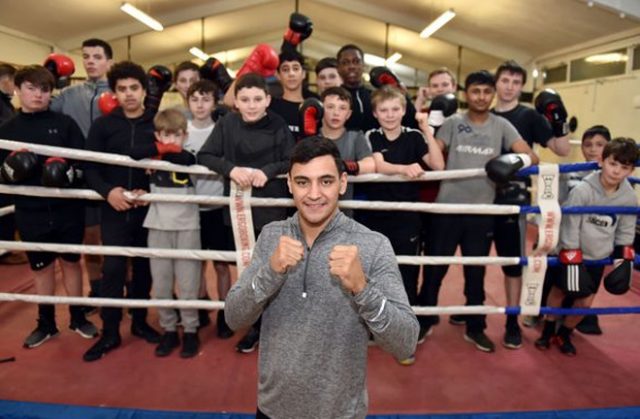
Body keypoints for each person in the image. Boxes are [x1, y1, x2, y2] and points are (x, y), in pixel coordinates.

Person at [225, 136, 419, 419]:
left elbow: (405, 343)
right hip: (273, 409)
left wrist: (363, 289)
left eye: (325, 181)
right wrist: (270, 273)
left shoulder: (372, 244)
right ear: (289, 184)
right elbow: (234, 318)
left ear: (342, 183)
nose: (314, 194)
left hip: (340, 413)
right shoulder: (271, 236)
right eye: (303, 182)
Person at [416, 70, 538, 353]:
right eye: (475, 91)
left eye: (486, 92)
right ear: (466, 94)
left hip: (482, 211)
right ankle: (423, 319)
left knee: (475, 273)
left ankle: (475, 326)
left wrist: (512, 159)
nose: (481, 97)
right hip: (446, 209)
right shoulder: (453, 123)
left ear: (492, 94)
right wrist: (429, 126)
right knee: (435, 269)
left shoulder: (502, 125)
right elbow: (433, 153)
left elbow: (532, 156)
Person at [0, 65, 98, 348]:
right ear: (18, 89)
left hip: (67, 209)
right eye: (31, 88)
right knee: (41, 269)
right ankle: (46, 323)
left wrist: (71, 175)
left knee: (71, 264)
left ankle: (78, 317)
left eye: (44, 90)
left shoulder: (65, 124)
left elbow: (83, 164)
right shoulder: (7, 130)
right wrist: (7, 172)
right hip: (30, 211)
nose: (38, 95)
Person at [198, 73, 295, 353]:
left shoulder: (277, 123)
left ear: (267, 100)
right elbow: (205, 156)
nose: (251, 105)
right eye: (244, 99)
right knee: (249, 271)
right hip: (240, 209)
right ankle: (256, 327)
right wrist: (231, 169)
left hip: (272, 208)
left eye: (257, 99)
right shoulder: (227, 123)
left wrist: (268, 171)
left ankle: (280, 327)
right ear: (236, 102)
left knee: (277, 268)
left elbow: (291, 158)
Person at [488, 60, 571, 349]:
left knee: (513, 264)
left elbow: (562, 149)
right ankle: (471, 314)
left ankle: (512, 321)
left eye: (515, 82)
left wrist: (559, 119)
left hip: (515, 201)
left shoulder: (530, 117)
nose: (509, 86)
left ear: (521, 87)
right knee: (474, 261)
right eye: (505, 80)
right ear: (496, 83)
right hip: (479, 197)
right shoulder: (481, 112)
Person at [83, 61, 162, 362]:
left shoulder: (155, 123)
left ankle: (140, 323)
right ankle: (111, 331)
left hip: (146, 210)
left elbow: (167, 165)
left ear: (143, 90)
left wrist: (151, 191)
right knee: (113, 269)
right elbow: (89, 167)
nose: (129, 94)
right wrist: (109, 192)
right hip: (114, 208)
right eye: (122, 89)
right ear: (114, 92)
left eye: (134, 88)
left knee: (143, 269)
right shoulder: (103, 125)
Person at [535, 137, 638, 356]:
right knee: (558, 292)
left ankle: (564, 333)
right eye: (613, 164)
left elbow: (626, 229)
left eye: (624, 167)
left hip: (598, 257)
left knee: (585, 301)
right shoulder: (583, 190)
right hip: (571, 252)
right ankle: (548, 329)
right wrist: (572, 257)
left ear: (630, 171)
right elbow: (570, 225)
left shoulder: (628, 197)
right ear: (602, 161)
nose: (617, 171)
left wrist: (624, 258)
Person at [365, 86, 444, 358]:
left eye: (395, 109)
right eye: (384, 110)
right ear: (375, 114)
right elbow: (379, 165)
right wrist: (404, 168)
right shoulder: (372, 134)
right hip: (377, 216)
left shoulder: (413, 136)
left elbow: (438, 165)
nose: (390, 115)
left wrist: (427, 130)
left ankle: (405, 335)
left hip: (407, 217)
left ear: (403, 111)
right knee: (375, 273)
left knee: (407, 274)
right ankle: (379, 326)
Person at [49, 38, 114, 306]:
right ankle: (97, 289)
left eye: (97, 57)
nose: (90, 61)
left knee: (118, 237)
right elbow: (42, 112)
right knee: (89, 238)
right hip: (81, 175)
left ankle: (126, 288)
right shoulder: (68, 95)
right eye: (86, 56)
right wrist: (52, 80)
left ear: (109, 62)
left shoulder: (122, 92)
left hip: (114, 174)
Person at [141, 108, 201, 358]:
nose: (170, 140)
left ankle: (190, 330)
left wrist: (163, 151)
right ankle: (168, 329)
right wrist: (157, 150)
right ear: (157, 135)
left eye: (175, 135)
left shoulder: (189, 155)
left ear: (184, 136)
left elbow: (185, 160)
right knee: (162, 283)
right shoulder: (149, 155)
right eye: (164, 135)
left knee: (188, 284)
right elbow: (133, 153)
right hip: (157, 225)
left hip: (187, 225)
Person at [183, 79, 234, 338]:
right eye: (195, 99)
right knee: (196, 264)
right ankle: (202, 307)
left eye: (205, 99)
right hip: (189, 208)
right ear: (188, 102)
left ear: (214, 103)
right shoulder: (182, 132)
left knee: (222, 265)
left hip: (217, 207)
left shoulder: (222, 131)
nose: (200, 104)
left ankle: (225, 313)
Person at [336, 44, 417, 132]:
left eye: (356, 61)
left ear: (363, 65)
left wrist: (404, 97)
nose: (351, 66)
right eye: (345, 62)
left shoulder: (376, 96)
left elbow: (410, 123)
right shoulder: (334, 98)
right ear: (338, 68)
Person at [318, 86, 375, 211]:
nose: (336, 113)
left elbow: (370, 164)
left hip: (343, 212)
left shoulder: (355, 136)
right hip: (314, 208)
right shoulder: (312, 137)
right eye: (330, 107)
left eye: (342, 108)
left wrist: (345, 166)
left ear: (348, 114)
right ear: (321, 109)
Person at [268, 50, 317, 140]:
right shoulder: (270, 106)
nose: (291, 74)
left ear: (303, 74)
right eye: (285, 69)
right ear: (278, 75)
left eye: (295, 68)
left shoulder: (314, 107)